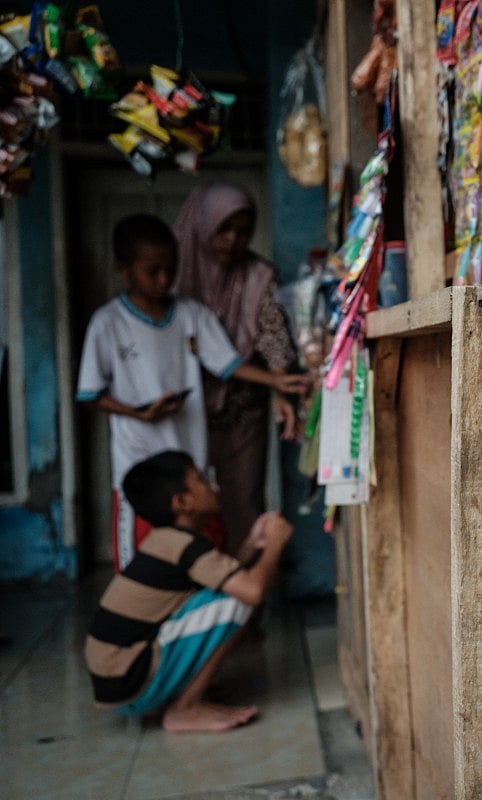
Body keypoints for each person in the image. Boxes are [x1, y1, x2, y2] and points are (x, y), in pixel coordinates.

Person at [75, 214, 310, 570]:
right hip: (138, 467)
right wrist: (139, 413)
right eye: (153, 271)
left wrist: (275, 382)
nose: (165, 279)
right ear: (123, 268)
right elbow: (90, 393)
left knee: (204, 560)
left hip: (190, 462)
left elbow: (226, 363)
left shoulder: (190, 314)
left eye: (171, 269)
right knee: (143, 564)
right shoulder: (107, 324)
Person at [85, 450, 294, 732]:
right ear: (182, 502)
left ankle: (180, 696)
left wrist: (252, 543)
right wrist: (275, 545)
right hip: (130, 680)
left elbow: (221, 574)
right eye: (201, 480)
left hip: (119, 683)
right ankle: (185, 708)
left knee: (227, 594)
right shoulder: (186, 546)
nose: (212, 485)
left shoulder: (169, 541)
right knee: (236, 600)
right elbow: (252, 590)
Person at [173, 183, 305, 560]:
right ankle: (195, 605)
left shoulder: (259, 276)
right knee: (188, 507)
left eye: (243, 231)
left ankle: (245, 608)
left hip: (242, 409)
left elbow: (273, 336)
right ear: (204, 226)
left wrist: (281, 388)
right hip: (185, 409)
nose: (233, 240)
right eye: (224, 229)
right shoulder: (172, 273)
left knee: (243, 504)